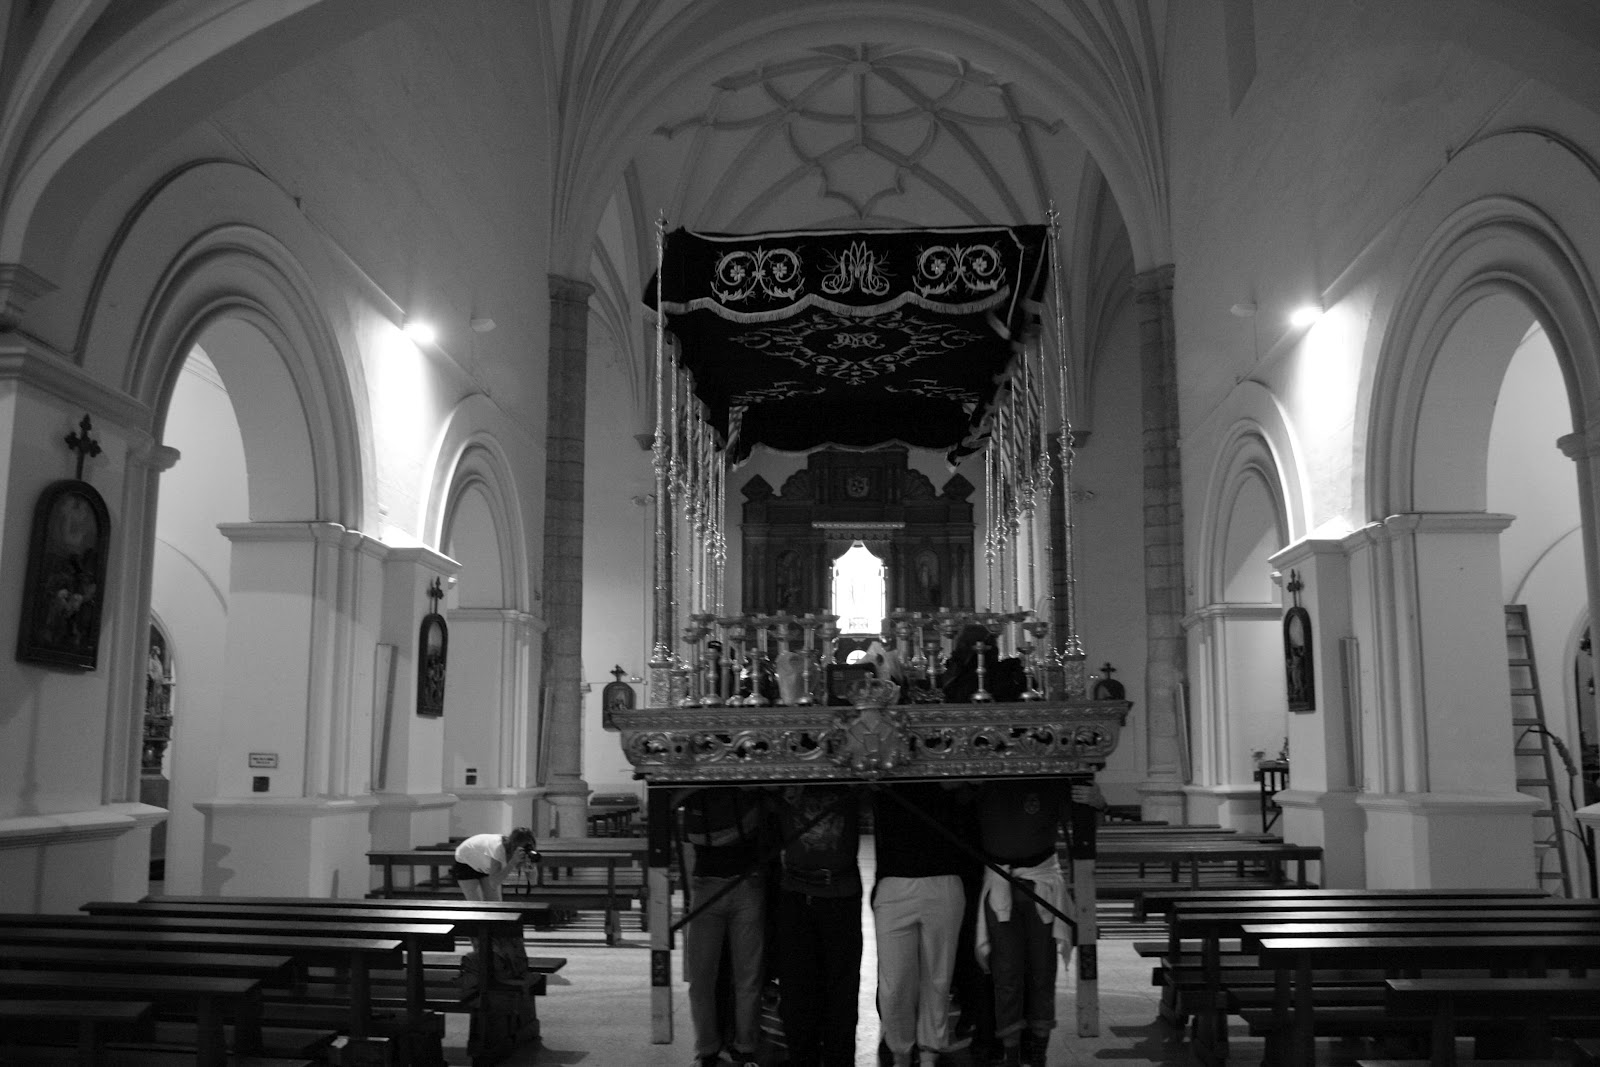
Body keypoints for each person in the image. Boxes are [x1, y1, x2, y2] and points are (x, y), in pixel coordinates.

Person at [973, 777, 1106, 1067]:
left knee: (1042, 969)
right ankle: (1010, 1049)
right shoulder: (984, 781)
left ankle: (1038, 1048)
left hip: (1041, 879)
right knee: (1006, 971)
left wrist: (1097, 802)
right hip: (1000, 880)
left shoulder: (1052, 781)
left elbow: (1086, 820)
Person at [873, 781, 976, 1067]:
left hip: (944, 874)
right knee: (894, 984)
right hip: (895, 879)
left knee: (938, 977)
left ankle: (930, 1053)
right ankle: (901, 1053)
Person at [773, 784, 862, 1067]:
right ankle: (803, 1058)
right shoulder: (786, 769)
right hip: (796, 891)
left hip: (840, 890)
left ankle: (839, 1059)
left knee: (842, 989)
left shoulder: (850, 772)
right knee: (796, 988)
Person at [682, 788, 769, 1067]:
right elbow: (672, 806)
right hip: (707, 886)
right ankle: (707, 1047)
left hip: (746, 884)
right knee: (701, 978)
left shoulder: (745, 785)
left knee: (748, 976)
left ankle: (745, 1048)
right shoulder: (694, 790)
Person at [452, 826, 539, 902]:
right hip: (466, 860)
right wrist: (512, 862)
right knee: (476, 905)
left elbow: (533, 881)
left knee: (495, 905)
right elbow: (494, 883)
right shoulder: (498, 849)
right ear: (514, 845)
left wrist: (531, 864)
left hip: (485, 863)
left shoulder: (522, 851)